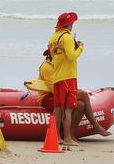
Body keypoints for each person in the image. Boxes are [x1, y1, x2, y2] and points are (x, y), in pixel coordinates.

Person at [37, 48, 111, 140]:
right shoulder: (47, 67)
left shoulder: (57, 66)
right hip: (48, 98)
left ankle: (70, 135)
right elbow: (54, 89)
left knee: (80, 105)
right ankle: (95, 126)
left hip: (58, 95)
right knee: (83, 94)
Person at [48, 12, 84, 146]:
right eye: (72, 23)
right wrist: (80, 47)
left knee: (57, 108)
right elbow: (71, 56)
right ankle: (68, 138)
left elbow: (52, 57)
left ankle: (57, 137)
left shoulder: (52, 37)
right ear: (69, 24)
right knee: (68, 109)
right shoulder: (67, 37)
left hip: (56, 77)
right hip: (68, 77)